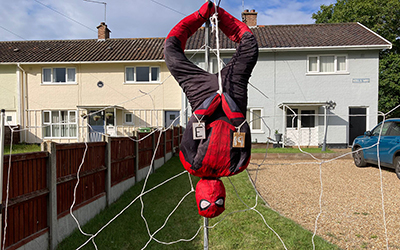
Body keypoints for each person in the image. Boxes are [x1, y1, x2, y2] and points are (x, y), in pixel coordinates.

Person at [164, 2, 258, 218]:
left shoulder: (194, 165)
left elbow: (191, 132)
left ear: (199, 197)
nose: (214, 195)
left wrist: (210, 105)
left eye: (208, 201)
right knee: (249, 46)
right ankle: (215, 12)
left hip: (202, 97)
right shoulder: (236, 166)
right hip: (232, 93)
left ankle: (201, 14)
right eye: (218, 200)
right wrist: (230, 108)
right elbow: (243, 133)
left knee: (171, 52)